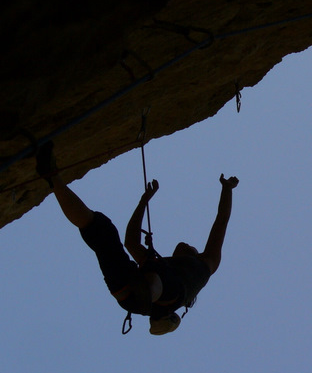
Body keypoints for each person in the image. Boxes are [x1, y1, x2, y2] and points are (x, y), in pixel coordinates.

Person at [36, 141, 239, 334]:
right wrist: (143, 202)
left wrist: (227, 189)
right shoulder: (159, 263)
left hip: (154, 294)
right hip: (128, 292)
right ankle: (52, 177)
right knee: (101, 229)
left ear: (196, 255)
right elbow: (130, 242)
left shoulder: (206, 264)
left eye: (191, 249)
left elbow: (221, 222)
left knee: (163, 285)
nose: (187, 245)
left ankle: (151, 296)